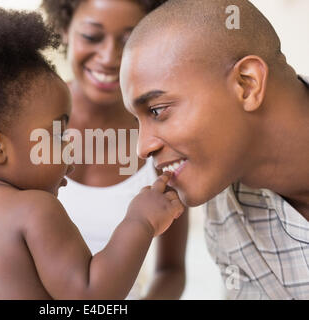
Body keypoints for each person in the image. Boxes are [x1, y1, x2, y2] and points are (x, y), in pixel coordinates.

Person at [0, 6, 184, 299]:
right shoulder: (36, 210)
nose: (70, 150)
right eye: (58, 134)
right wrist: (139, 221)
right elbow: (92, 294)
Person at [120, 0, 309, 299]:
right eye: (137, 121)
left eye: (157, 110)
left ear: (246, 84)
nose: (143, 148)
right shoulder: (225, 217)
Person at [42, 0, 188, 300]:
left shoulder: (165, 139)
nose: (109, 57)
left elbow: (171, 271)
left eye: (130, 40)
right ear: (64, 29)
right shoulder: (26, 122)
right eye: (92, 37)